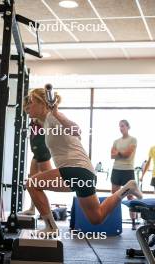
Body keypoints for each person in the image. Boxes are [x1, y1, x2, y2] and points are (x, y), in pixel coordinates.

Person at [26, 88, 142, 237]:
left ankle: (50, 227)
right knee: (97, 218)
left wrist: (55, 112)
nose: (29, 106)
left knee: (32, 183)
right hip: (84, 173)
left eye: (32, 102)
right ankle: (127, 188)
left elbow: (77, 131)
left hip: (76, 170)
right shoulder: (46, 122)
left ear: (42, 105)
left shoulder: (53, 117)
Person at [19, 95, 52, 215]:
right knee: (32, 181)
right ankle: (33, 208)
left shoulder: (42, 118)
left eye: (29, 109)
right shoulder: (33, 120)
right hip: (36, 152)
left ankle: (46, 211)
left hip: (43, 151)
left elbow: (48, 127)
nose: (28, 112)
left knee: (49, 182)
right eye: (26, 110)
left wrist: (39, 121)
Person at [111, 120, 138, 230]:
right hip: (116, 170)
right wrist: (118, 154)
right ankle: (114, 220)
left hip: (128, 170)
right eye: (119, 126)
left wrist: (118, 153)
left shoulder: (133, 140)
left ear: (128, 127)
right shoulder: (116, 141)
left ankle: (133, 222)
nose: (120, 128)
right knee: (114, 196)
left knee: (130, 196)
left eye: (122, 126)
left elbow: (128, 154)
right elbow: (112, 155)